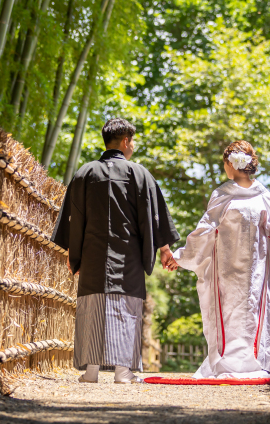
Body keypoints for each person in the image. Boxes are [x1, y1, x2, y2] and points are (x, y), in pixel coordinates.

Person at [52, 118, 180, 384]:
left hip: (92, 253)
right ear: (125, 142)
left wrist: (72, 254)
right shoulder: (140, 174)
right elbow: (154, 217)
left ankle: (91, 371)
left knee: (92, 306)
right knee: (126, 307)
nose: (133, 145)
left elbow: (73, 218)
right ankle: (123, 371)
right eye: (132, 140)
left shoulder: (85, 173)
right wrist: (165, 248)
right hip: (128, 255)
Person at [168, 141, 270, 379]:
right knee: (240, 312)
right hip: (245, 267)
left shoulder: (230, 194)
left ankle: (252, 362)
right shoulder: (259, 196)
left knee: (243, 311)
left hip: (243, 266)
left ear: (230, 164)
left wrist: (180, 256)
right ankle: (234, 362)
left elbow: (205, 230)